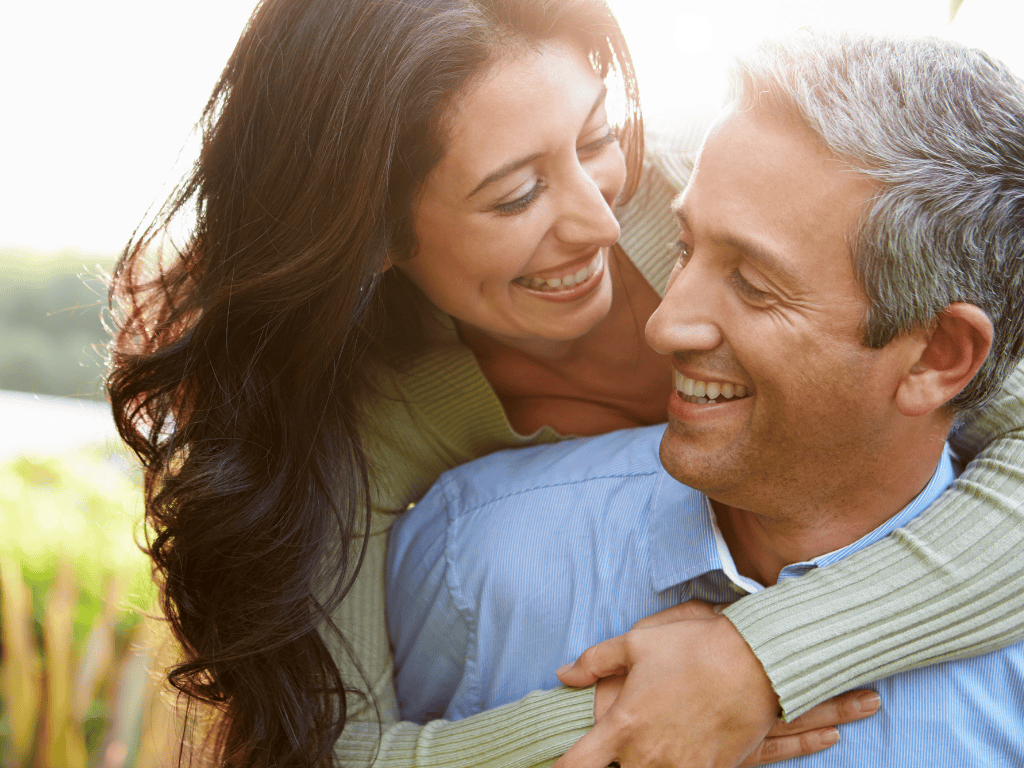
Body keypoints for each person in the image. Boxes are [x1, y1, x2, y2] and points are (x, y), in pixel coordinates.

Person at [104, 0, 1024, 763]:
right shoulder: (361, 430)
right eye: (514, 196)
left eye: (594, 138)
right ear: (374, 232)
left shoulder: (744, 190)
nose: (599, 219)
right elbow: (319, 748)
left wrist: (762, 660)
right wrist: (626, 723)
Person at [388, 30, 1024, 766]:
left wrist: (767, 657)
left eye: (754, 285)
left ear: (938, 356)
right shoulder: (469, 556)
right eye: (685, 248)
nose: (662, 324)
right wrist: (598, 731)